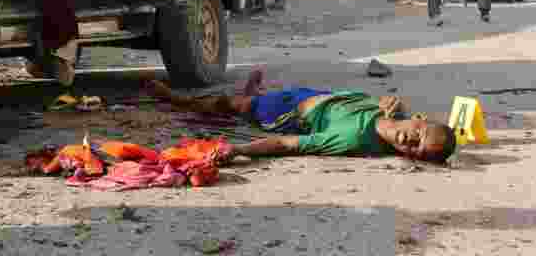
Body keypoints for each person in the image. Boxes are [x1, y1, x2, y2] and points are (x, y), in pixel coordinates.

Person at [145, 70, 457, 164]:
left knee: (229, 104)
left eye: (416, 150)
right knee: (258, 97)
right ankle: (255, 93)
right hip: (315, 94)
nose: (410, 141)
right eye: (419, 133)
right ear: (419, 118)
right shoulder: (394, 111)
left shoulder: (352, 139)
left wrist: (239, 150)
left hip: (287, 115)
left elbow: (290, 143)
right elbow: (398, 118)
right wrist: (392, 106)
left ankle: (176, 99)